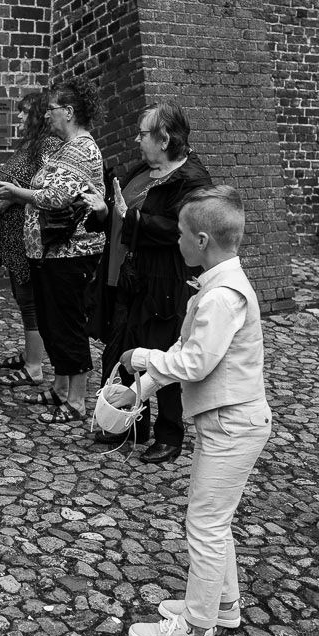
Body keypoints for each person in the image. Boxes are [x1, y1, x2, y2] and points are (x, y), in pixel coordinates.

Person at [117, 186, 271, 636]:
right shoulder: (218, 285)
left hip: (232, 425)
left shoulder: (222, 296)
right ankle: (222, 603)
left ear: (201, 239)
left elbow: (196, 363)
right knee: (214, 523)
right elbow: (189, 357)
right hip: (226, 421)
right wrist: (138, 392)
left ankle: (197, 631)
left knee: (203, 526)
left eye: (181, 232)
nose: (176, 239)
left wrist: (139, 358)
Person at [83, 101, 212, 462]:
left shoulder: (192, 180)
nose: (138, 140)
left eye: (144, 134)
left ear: (165, 138)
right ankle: (129, 423)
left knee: (163, 353)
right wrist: (105, 211)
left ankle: (169, 435)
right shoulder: (144, 168)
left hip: (165, 282)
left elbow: (182, 230)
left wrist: (134, 220)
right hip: (127, 276)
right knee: (122, 348)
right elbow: (121, 212)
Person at [0, 76, 105, 424]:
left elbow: (56, 197)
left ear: (68, 112)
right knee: (54, 324)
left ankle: (76, 401)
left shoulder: (83, 148)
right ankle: (59, 388)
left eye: (52, 110)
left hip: (72, 254)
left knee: (68, 325)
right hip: (51, 253)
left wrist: (16, 193)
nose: (45, 116)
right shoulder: (65, 147)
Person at [0, 92, 63, 388]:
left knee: (30, 300)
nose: (18, 117)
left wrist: (14, 198)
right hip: (13, 235)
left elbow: (45, 187)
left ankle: (33, 367)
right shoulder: (29, 144)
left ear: (40, 115)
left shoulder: (48, 145)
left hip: (27, 234)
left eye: (24, 112)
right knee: (22, 296)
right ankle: (32, 353)